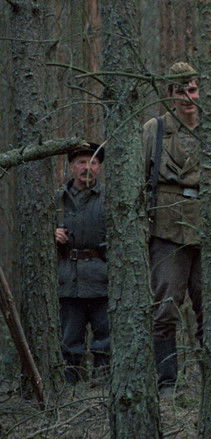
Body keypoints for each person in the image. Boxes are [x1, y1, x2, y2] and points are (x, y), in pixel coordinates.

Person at [142, 61, 202, 392]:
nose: (187, 98)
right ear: (170, 94)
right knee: (165, 307)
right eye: (180, 91)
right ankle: (167, 383)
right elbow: (139, 179)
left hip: (207, 231)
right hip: (167, 229)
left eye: (192, 89)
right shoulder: (155, 129)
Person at [56, 142, 109, 384]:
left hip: (101, 280)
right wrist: (51, 234)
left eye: (93, 162)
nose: (87, 167)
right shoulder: (58, 200)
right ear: (71, 166)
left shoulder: (108, 199)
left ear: (99, 167)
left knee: (105, 338)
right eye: (81, 162)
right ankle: (71, 387)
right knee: (70, 340)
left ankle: (102, 386)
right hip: (68, 280)